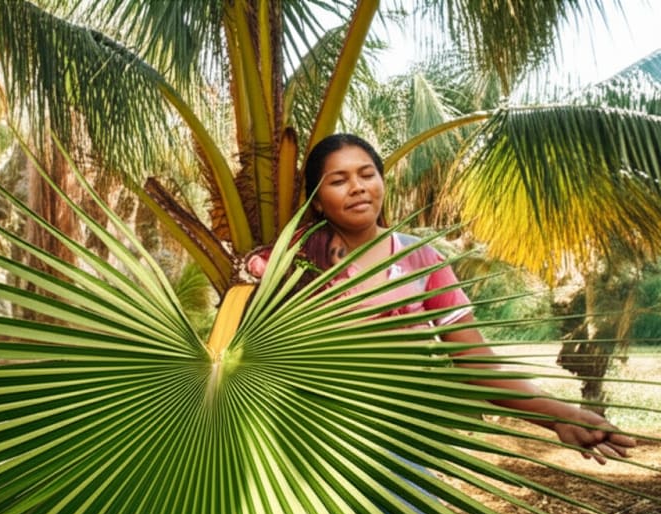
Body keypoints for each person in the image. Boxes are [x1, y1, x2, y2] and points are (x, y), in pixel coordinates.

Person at [247, 133, 636, 464]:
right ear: (316, 200)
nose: (358, 187)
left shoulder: (422, 258)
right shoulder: (288, 263)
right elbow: (249, 362)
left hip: (401, 448)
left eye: (367, 174)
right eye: (338, 180)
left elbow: (477, 366)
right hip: (308, 449)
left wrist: (561, 416)